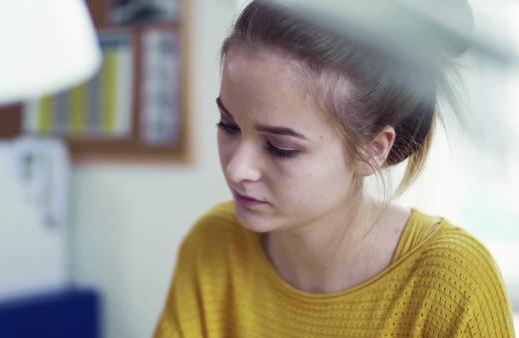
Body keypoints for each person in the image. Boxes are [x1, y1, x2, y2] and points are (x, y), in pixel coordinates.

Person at [154, 0, 515, 336]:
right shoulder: (213, 246)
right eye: (228, 125)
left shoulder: (452, 283)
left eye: (280, 148)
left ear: (371, 151)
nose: (237, 170)